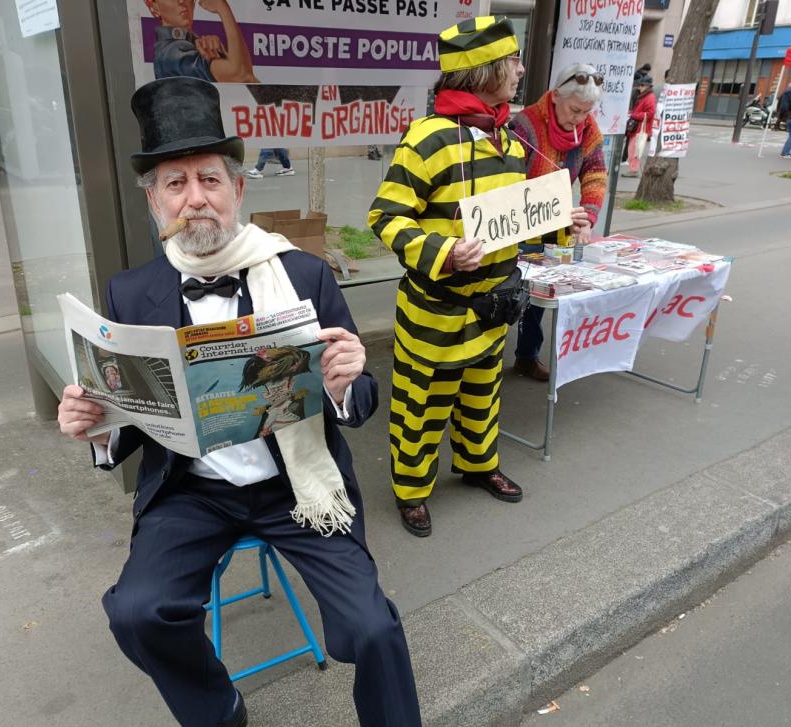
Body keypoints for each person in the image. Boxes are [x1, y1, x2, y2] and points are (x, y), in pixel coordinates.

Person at [57, 76, 421, 727]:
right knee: (136, 610)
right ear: (153, 201)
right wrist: (98, 426)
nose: (195, 198)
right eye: (175, 182)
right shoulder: (131, 293)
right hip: (193, 492)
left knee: (372, 627)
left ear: (239, 191)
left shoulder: (303, 275)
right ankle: (218, 707)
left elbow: (361, 402)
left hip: (297, 487)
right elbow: (133, 420)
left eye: (210, 179)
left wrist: (344, 384)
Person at [368, 16, 527, 537]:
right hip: (434, 314)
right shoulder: (428, 139)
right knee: (421, 406)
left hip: (493, 307)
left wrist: (562, 228)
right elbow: (385, 218)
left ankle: (478, 464)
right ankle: (411, 490)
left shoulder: (511, 140)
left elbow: (519, 222)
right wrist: (444, 252)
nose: (522, 70)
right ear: (485, 71)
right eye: (513, 62)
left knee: (483, 395)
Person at [508, 63, 607, 381]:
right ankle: (484, 361)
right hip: (521, 219)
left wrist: (588, 218)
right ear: (556, 97)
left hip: (557, 224)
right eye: (575, 110)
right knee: (510, 288)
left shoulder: (588, 129)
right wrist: (546, 207)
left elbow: (595, 173)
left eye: (586, 111)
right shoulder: (525, 124)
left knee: (543, 291)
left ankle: (527, 355)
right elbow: (509, 181)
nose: (580, 118)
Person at [146, 0, 258, 83]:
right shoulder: (171, 52)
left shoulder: (190, 43)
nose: (181, 1)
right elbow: (242, 75)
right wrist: (223, 8)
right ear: (154, 7)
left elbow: (254, 85)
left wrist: (222, 55)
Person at [623, 77, 656, 177]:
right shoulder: (645, 96)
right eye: (639, 85)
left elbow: (650, 113)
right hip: (639, 127)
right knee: (633, 149)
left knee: (635, 150)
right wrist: (632, 113)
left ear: (648, 86)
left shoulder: (649, 97)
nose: (639, 87)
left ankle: (634, 170)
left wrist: (634, 115)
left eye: (642, 85)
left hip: (641, 128)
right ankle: (634, 169)